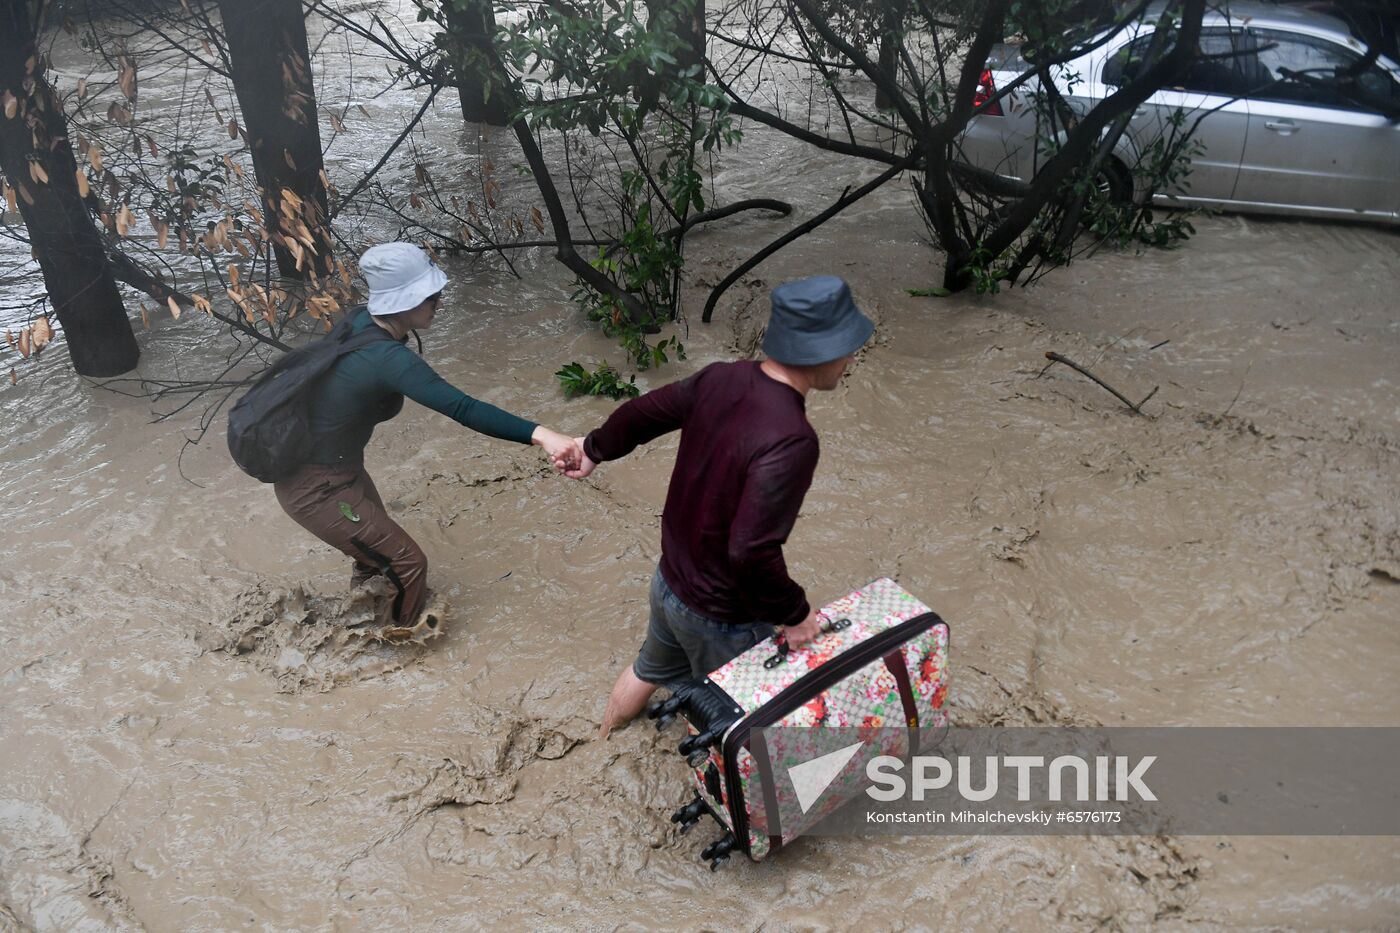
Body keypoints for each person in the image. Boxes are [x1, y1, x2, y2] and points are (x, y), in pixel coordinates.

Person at [563, 275, 875, 737]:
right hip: (719, 617)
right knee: (733, 725)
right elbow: (750, 551)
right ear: (823, 350)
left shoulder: (720, 377)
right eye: (848, 346)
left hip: (669, 582)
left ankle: (602, 741)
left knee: (647, 671)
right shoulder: (792, 438)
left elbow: (640, 413)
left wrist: (592, 449)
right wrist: (796, 613)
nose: (852, 357)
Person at [274, 242, 581, 631]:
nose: (438, 301)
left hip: (340, 470)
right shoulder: (387, 358)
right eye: (430, 295)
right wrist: (543, 435)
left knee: (376, 559)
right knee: (408, 562)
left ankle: (363, 626)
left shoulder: (359, 321)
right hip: (315, 487)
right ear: (404, 301)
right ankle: (396, 648)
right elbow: (463, 408)